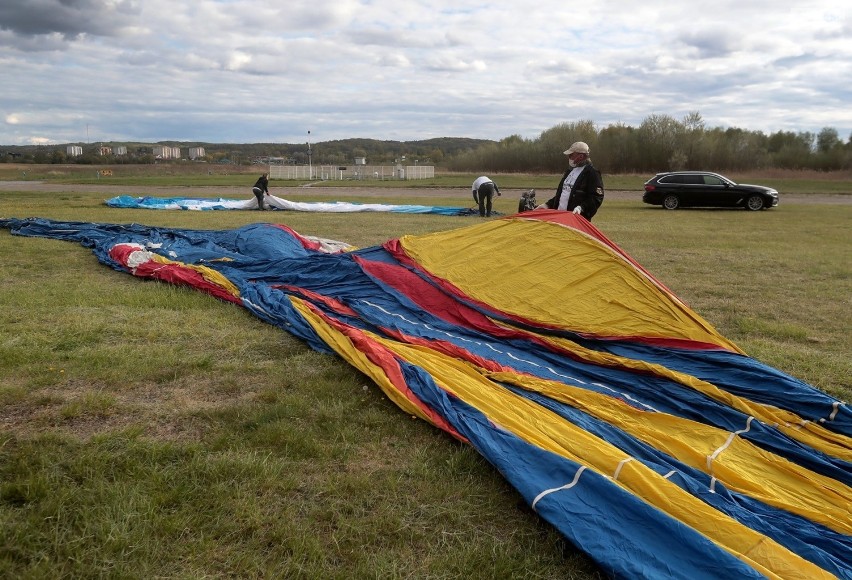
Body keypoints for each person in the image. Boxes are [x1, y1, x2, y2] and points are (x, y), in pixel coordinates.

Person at [539, 142, 604, 220]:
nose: (569, 157)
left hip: (576, 220)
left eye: (571, 155)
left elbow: (596, 198)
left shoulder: (592, 173)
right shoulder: (569, 171)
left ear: (580, 156)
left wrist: (582, 208)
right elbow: (563, 194)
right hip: (559, 217)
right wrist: (547, 205)